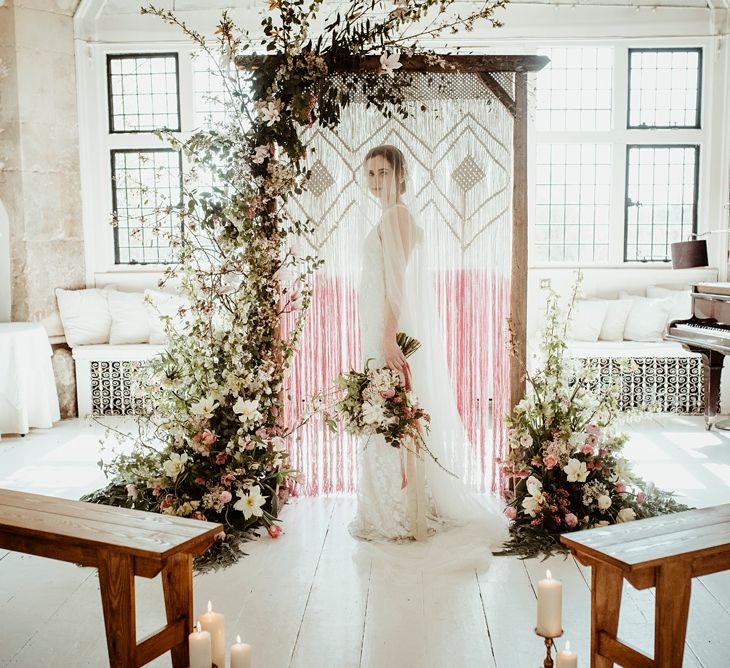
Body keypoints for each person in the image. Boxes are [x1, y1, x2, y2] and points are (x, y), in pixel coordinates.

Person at [348, 145, 506, 567]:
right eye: (369, 174)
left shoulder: (396, 215)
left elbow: (396, 282)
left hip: (386, 330)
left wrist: (387, 336)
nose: (375, 181)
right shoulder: (387, 217)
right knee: (386, 415)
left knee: (390, 414)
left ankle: (401, 512)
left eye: (382, 172)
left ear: (401, 175)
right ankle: (392, 507)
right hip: (375, 328)